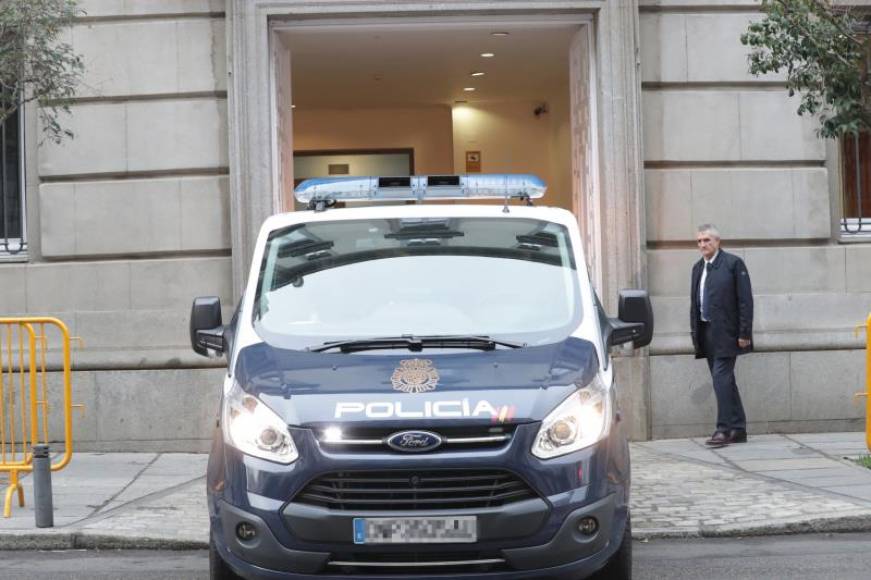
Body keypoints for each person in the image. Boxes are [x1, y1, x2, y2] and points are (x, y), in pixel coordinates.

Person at [690, 224, 753, 446]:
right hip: (707, 333)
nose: (702, 245)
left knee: (720, 380)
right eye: (699, 241)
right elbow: (694, 303)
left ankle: (723, 429)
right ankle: (738, 428)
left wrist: (744, 332)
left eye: (707, 240)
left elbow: (745, 301)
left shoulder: (733, 264)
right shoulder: (698, 268)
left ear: (718, 241)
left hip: (728, 333)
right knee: (726, 381)